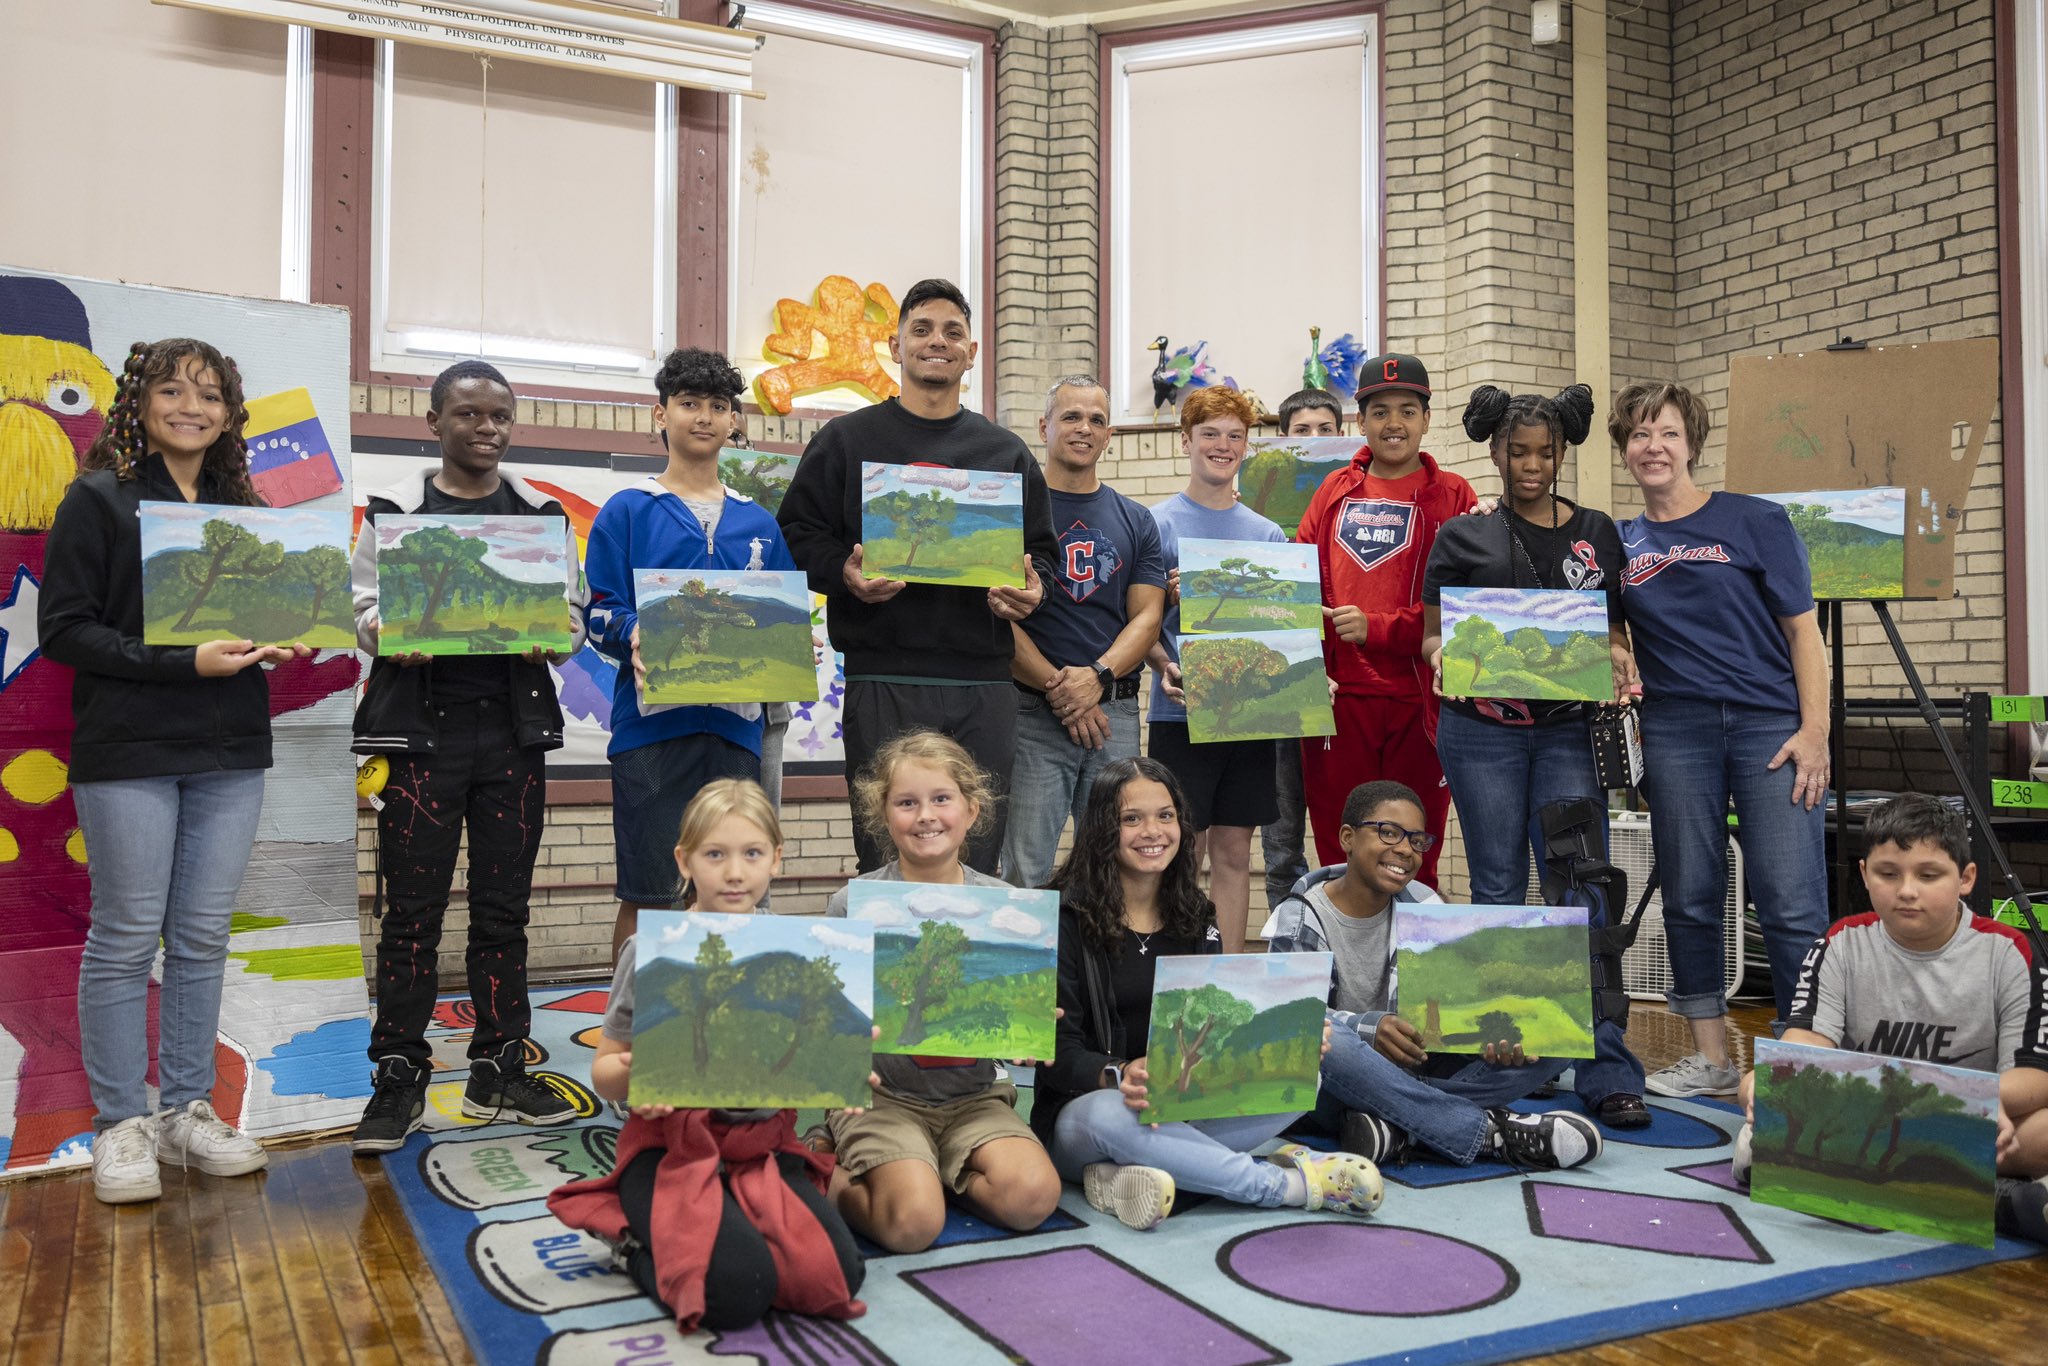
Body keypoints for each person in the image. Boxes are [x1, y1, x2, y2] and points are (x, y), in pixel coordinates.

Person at [40, 337, 309, 1203]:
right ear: (140, 402)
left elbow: (254, 630)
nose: (191, 406)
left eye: (211, 395)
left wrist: (287, 634)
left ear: (231, 415)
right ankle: (121, 1123)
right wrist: (180, 661)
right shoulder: (100, 498)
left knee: (199, 937)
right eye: (172, 390)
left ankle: (186, 1111)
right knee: (124, 937)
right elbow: (65, 630)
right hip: (128, 751)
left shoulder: (245, 508)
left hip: (230, 749)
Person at [348, 359, 586, 1153]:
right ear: (434, 422)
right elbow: (364, 609)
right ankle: (398, 1072)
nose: (486, 429)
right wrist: (394, 634)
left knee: (502, 911)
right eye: (468, 415)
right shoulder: (395, 512)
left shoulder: (541, 516)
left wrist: (559, 636)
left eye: (499, 417)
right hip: (420, 737)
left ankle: (499, 1063)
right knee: (409, 914)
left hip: (511, 737)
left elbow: (572, 617)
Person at [551, 779, 867, 1332]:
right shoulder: (653, 948)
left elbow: (813, 1051)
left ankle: (733, 1218)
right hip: (669, 1147)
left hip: (762, 1145)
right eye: (715, 854)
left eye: (752, 854)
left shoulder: (796, 949)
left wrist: (845, 1066)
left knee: (839, 1275)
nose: (735, 872)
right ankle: (629, 1241)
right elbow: (603, 1069)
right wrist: (632, 1078)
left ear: (777, 860)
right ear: (685, 861)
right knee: (737, 1295)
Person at [1419, 384, 1650, 1129]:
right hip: (1479, 729)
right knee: (1494, 887)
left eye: (1544, 452)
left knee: (1581, 888)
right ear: (1495, 452)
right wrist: (1441, 658)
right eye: (1517, 452)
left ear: (1561, 453)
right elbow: (1431, 635)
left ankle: (1603, 1065)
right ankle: (1505, 1055)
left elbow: (1614, 631)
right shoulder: (1462, 535)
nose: (1531, 465)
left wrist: (1617, 659)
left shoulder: (1596, 533)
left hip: (1567, 733)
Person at [1033, 756, 1384, 1230]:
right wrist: (1117, 1073)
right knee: (1115, 1114)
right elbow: (1058, 1050)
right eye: (1131, 819)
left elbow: (1218, 1033)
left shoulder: (1196, 915)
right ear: (1102, 828)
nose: (1152, 831)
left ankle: (1131, 1176)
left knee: (1303, 1079)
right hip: (1090, 1113)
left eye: (1165, 816)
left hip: (1178, 1105)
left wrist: (1286, 1043)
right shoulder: (1064, 919)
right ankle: (1280, 1185)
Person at [777, 278, 1056, 874]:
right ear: (895, 346)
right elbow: (797, 536)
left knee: (978, 856)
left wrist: (1032, 593)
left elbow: (1041, 554)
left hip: (984, 682)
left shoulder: (1004, 452)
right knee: (886, 854)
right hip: (885, 676)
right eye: (922, 329)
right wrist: (844, 576)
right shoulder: (846, 441)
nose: (938, 341)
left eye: (953, 331)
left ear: (972, 353)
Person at [1609, 381, 1830, 1097]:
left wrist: (1816, 733)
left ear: (1692, 444)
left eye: (1668, 433)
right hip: (1676, 730)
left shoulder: (1756, 520)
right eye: (1640, 435)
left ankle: (1808, 1063)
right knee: (1691, 893)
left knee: (1790, 900)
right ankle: (1711, 1057)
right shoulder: (1621, 541)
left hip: (1770, 727)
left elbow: (1805, 633)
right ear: (1624, 449)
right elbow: (1608, 623)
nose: (1654, 447)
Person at [1728, 794, 2048, 1242]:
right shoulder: (1841, 942)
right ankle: (1997, 1201)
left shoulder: (2011, 950)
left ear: (1966, 878)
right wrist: (1779, 1080)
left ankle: (1830, 1171)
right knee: (1754, 1084)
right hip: (1873, 1116)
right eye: (1888, 874)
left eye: (1929, 875)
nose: (1907, 891)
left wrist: (1965, 1101)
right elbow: (1804, 1043)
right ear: (1864, 874)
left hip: (1976, 1120)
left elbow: (2034, 1079)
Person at [1268, 781, 1605, 1170]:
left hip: (1417, 1065)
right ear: (1347, 837)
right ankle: (1488, 1132)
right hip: (1336, 1082)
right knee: (1317, 1033)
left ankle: (1397, 1127)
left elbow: (1454, 1008)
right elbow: (1291, 1023)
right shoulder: (1297, 916)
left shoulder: (1426, 904)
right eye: (1388, 833)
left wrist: (1495, 1033)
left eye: (1416, 840)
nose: (1405, 850)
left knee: (1558, 1029)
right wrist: (1368, 1029)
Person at [586, 348, 797, 962]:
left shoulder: (759, 521)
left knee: (735, 895)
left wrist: (790, 639)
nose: (704, 417)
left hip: (737, 732)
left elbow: (779, 610)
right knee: (649, 892)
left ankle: (723, 1029)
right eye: (688, 404)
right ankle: (635, 1032)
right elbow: (600, 611)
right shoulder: (627, 511)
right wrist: (631, 632)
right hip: (650, 733)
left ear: (734, 422)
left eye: (718, 406)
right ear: (661, 415)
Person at [816, 731, 1063, 1251]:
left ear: (971, 811)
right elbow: (827, 1022)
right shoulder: (852, 905)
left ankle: (936, 1176)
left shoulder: (1006, 907)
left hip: (974, 1099)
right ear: (885, 816)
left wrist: (1030, 1022)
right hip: (882, 1099)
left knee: (1033, 1198)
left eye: (941, 799)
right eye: (907, 803)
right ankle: (825, 1174)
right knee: (912, 1227)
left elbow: (1013, 1016)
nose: (926, 815)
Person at [1297, 355, 1476, 887]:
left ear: (1426, 418)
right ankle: (1345, 966)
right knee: (1339, 844)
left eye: (1406, 410)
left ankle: (1408, 965)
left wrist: (1380, 627)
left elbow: (1461, 602)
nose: (1392, 423)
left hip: (1422, 702)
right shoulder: (1332, 490)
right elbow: (1297, 581)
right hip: (1337, 698)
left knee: (1414, 844)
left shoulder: (1456, 496)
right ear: (1360, 421)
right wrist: (1307, 665)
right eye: (1379, 411)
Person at [1001, 375, 1166, 888]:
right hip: (1031, 714)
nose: (1084, 428)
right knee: (1025, 871)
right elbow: (996, 617)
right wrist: (1064, 690)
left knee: (1121, 868)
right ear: (1044, 425)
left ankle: (1106, 972)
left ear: (1109, 434)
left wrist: (1095, 678)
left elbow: (1148, 617)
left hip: (1114, 711)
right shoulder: (1012, 513)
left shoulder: (1136, 519)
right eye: (1071, 416)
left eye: (1096, 419)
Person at [1145, 387, 1286, 952]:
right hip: (1181, 713)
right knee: (1184, 848)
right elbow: (1141, 625)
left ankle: (1228, 969)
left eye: (1234, 436)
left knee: (1233, 850)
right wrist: (1162, 661)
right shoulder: (1156, 525)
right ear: (1186, 441)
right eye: (1210, 434)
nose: (1222, 446)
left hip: (1249, 716)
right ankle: (1178, 965)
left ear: (1246, 448)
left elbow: (1280, 630)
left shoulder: (1267, 534)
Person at [1261, 387, 1346, 912]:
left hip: (1350, 685)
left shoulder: (1365, 503)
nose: (1314, 441)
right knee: (1282, 833)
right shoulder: (1259, 508)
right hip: (1283, 681)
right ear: (1283, 440)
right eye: (1301, 432)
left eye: (1325, 431)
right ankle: (1286, 947)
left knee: (1345, 828)